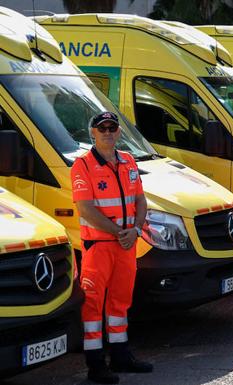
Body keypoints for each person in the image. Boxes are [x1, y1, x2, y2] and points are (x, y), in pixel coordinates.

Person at [71, 112, 152, 384]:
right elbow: (86, 209)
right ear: (92, 132)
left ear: (118, 132)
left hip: (127, 245)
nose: (107, 132)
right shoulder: (82, 165)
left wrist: (136, 230)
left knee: (120, 302)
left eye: (112, 128)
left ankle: (120, 356)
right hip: (100, 246)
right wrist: (120, 233)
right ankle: (95, 364)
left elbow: (141, 200)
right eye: (101, 128)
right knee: (93, 305)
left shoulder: (128, 161)